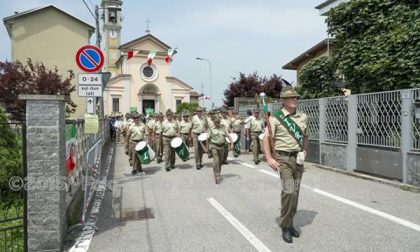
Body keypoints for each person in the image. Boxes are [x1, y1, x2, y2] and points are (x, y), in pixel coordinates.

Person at [262, 86, 309, 244]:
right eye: (291, 97)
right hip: (283, 159)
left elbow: (305, 136)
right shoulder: (276, 118)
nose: (295, 99)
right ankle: (285, 226)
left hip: (298, 159)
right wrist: (269, 158)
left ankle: (289, 223)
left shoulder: (303, 117)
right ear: (283, 100)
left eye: (296, 97)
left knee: (295, 192)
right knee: (289, 191)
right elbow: (265, 138)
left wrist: (305, 150)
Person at [208, 116, 232, 184]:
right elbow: (208, 139)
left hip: (222, 146)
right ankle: (217, 175)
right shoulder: (211, 129)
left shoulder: (223, 128)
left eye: (218, 122)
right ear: (214, 123)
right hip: (214, 146)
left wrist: (232, 143)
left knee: (220, 162)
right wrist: (207, 148)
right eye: (216, 122)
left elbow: (228, 135)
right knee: (216, 160)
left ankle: (217, 172)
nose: (217, 123)